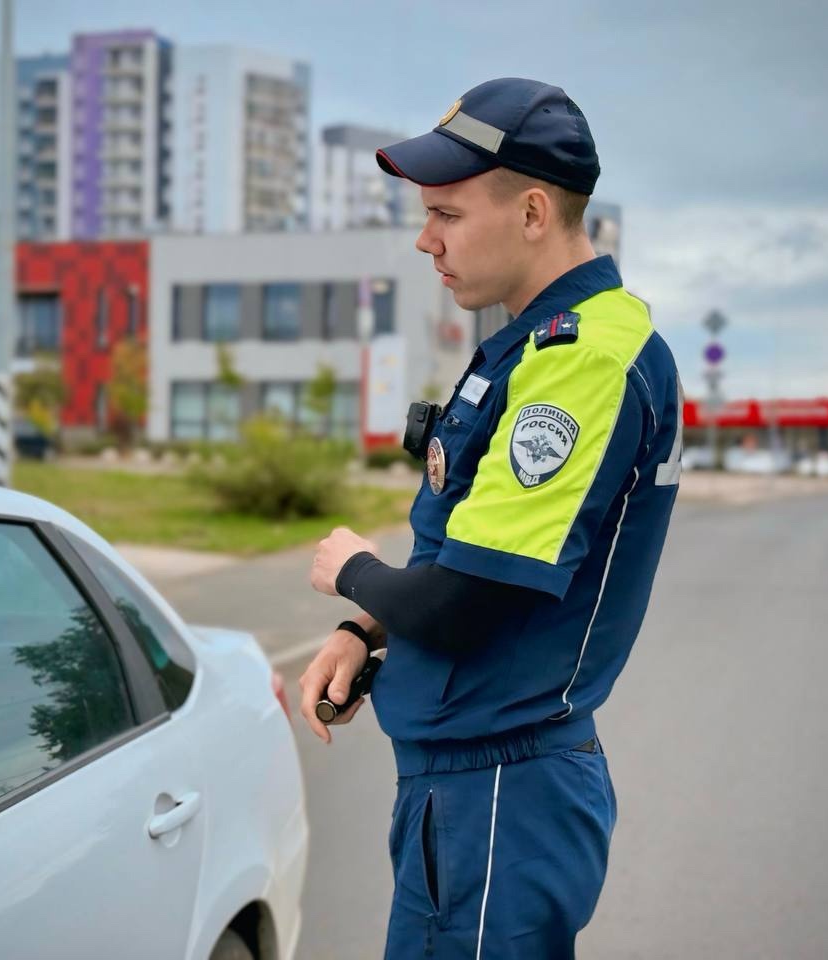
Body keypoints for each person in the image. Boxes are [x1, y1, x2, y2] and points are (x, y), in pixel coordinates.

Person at [299, 77, 683, 959]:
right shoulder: (531, 344)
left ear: (535, 211)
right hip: (470, 789)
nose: (424, 238)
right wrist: (366, 628)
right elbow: (460, 548)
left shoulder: (583, 362)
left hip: (502, 791)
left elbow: (467, 604)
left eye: (448, 213)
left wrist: (351, 570)